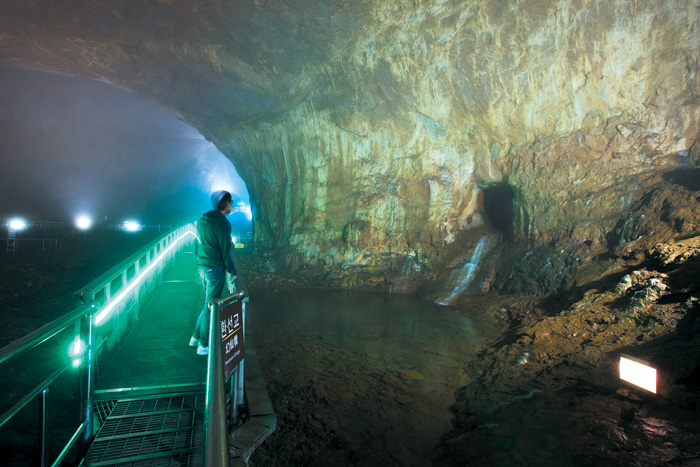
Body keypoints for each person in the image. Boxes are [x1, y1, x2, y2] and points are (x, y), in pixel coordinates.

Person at [190, 190, 237, 355]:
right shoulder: (223, 223)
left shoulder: (203, 219)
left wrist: (199, 262)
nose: (232, 205)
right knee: (210, 307)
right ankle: (203, 345)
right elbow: (226, 250)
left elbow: (197, 243)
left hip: (202, 267)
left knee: (206, 304)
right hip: (214, 270)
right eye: (231, 202)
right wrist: (232, 271)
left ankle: (195, 337)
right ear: (227, 204)